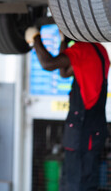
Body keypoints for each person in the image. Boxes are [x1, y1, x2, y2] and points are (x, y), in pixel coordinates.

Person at [25, 27, 110, 191]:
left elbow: (48, 64)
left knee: (75, 185)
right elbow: (64, 72)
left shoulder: (82, 50)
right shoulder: (99, 50)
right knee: (82, 183)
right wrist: (64, 41)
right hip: (92, 133)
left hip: (82, 134)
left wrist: (35, 38)